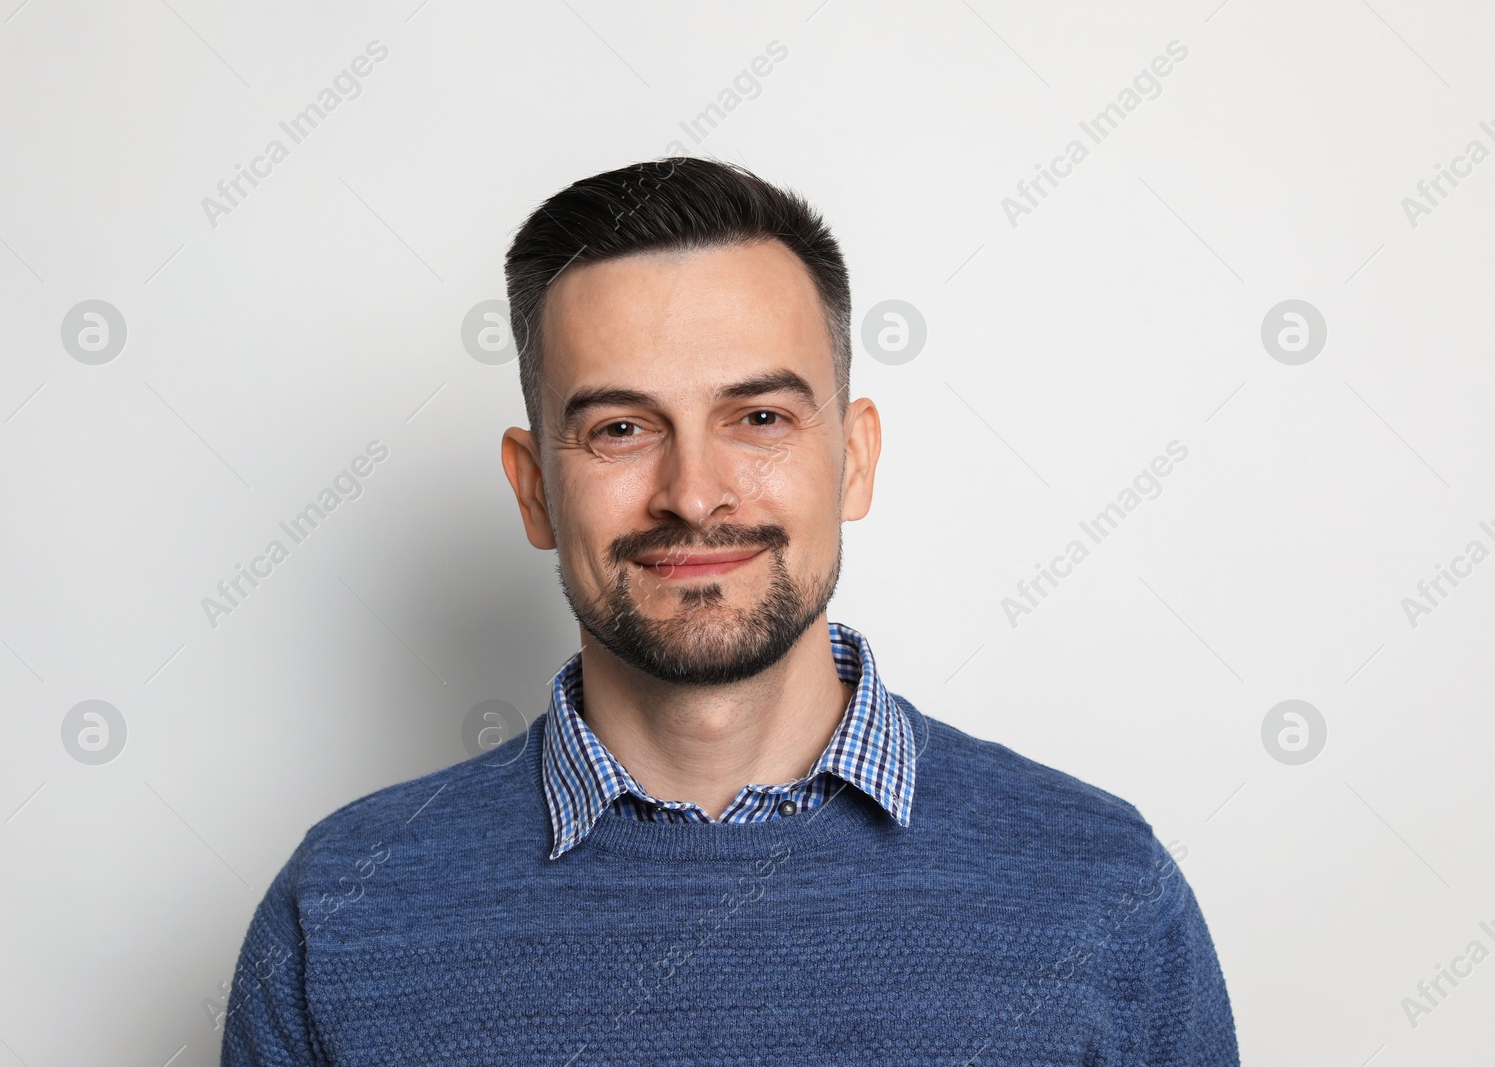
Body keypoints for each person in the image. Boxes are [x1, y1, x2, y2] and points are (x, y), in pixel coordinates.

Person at [221, 157, 1239, 1065]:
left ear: (854, 458)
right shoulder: (346, 911)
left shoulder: (1100, 890)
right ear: (533, 489)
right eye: (620, 427)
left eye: (757, 417)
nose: (695, 491)